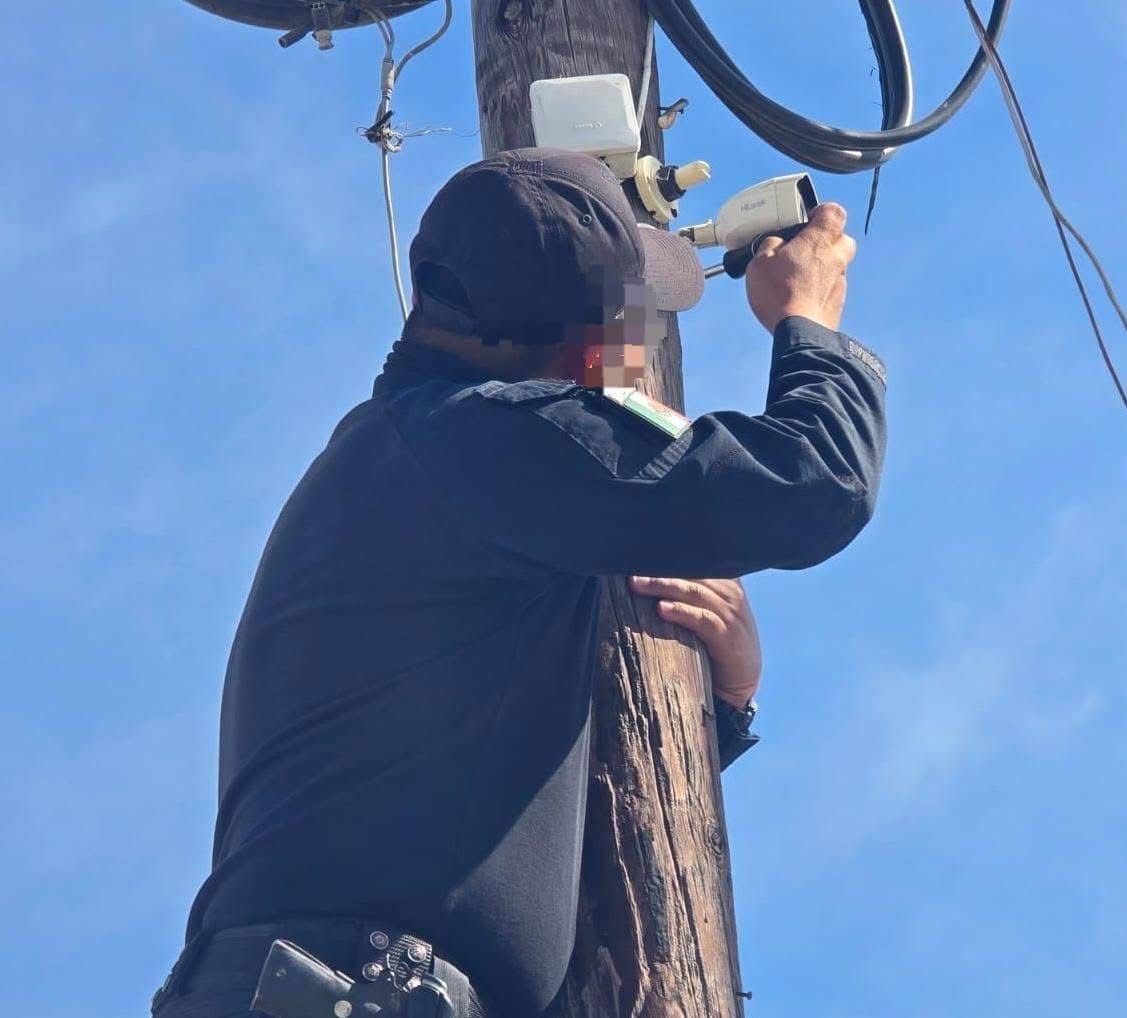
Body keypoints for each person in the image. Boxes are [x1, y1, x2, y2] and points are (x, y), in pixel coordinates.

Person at [151, 147, 885, 1018]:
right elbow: (814, 486)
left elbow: (511, 808)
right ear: (579, 354)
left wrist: (716, 705)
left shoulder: (429, 467)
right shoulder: (472, 443)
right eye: (626, 321)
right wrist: (809, 326)